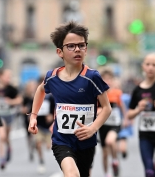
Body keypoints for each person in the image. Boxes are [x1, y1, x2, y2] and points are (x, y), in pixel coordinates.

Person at [28, 21, 112, 177]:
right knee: (72, 174)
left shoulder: (92, 77)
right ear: (60, 52)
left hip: (86, 141)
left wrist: (92, 129)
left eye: (81, 45)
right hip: (62, 140)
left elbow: (107, 108)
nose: (77, 49)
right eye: (71, 46)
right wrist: (33, 116)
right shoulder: (52, 77)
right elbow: (40, 91)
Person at [0, 69, 22, 169]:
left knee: (6, 137)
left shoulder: (11, 89)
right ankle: (2, 158)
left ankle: (9, 148)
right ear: (0, 76)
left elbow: (19, 100)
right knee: (2, 136)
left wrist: (11, 101)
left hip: (9, 115)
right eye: (7, 76)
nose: (9, 78)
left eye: (10, 77)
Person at [98, 69, 128, 177]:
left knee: (110, 141)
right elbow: (95, 109)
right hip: (102, 125)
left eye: (108, 79)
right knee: (105, 154)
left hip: (115, 123)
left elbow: (122, 107)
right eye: (104, 79)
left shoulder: (117, 92)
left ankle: (115, 160)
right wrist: (99, 111)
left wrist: (125, 119)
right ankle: (107, 173)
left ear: (112, 80)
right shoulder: (98, 94)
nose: (107, 81)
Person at [21, 80, 38, 162]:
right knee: (28, 136)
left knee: (34, 136)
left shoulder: (37, 96)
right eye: (30, 87)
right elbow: (22, 108)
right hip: (27, 118)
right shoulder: (25, 98)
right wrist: (25, 110)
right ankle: (30, 150)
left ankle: (34, 145)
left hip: (35, 118)